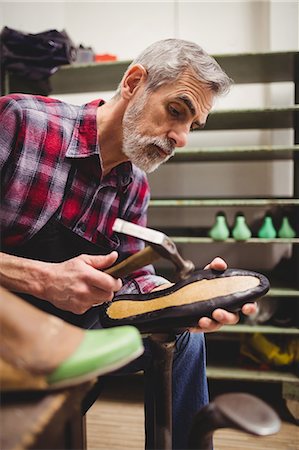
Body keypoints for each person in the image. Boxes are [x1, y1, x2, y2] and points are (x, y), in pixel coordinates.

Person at [0, 38, 257, 449]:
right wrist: (41, 278)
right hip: (8, 322)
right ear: (134, 82)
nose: (183, 137)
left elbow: (135, 278)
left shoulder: (134, 185)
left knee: (185, 339)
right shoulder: (21, 122)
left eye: (193, 124)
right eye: (177, 112)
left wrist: (182, 301)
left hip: (71, 325)